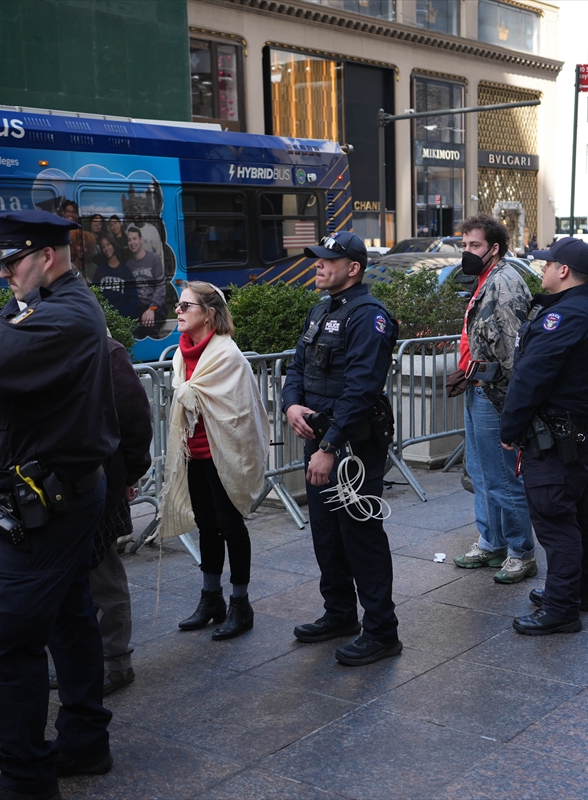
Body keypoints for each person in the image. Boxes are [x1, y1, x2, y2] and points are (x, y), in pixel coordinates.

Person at [0, 210, 120, 800]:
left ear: (46, 256)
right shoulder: (43, 306)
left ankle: (26, 778)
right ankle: (84, 741)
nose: (5, 274)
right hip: (57, 493)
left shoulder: (62, 314)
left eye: (13, 262)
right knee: (68, 617)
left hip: (49, 502)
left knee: (3, 638)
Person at [281, 231, 402, 666]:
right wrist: (291, 404)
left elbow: (361, 389)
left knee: (359, 534)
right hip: (319, 440)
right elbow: (297, 365)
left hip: (350, 446)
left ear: (353, 268)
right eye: (317, 258)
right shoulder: (321, 308)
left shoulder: (369, 316)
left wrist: (330, 446)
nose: (318, 264)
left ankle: (382, 631)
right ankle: (339, 614)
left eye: (327, 260)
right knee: (326, 533)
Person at [500, 238, 588, 635]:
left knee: (556, 521)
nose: (542, 269)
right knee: (578, 514)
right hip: (583, 433)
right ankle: (575, 592)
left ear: (562, 270)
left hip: (558, 439)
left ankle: (561, 608)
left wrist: (510, 429)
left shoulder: (564, 317)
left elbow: (530, 379)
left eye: (546, 263)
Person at [164, 281, 269, 640]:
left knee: (230, 525)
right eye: (178, 305)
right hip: (194, 453)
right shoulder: (180, 354)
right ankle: (211, 598)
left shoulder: (228, 355)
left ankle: (241, 604)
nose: (178, 311)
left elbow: (241, 414)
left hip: (225, 456)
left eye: (185, 306)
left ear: (209, 314)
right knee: (206, 526)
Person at [445, 214, 536, 584]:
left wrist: (515, 408)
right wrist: (466, 371)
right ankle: (491, 541)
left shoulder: (506, 283)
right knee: (481, 474)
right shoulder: (484, 280)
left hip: (496, 396)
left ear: (494, 249)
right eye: (464, 245)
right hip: (477, 388)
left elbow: (516, 352)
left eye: (475, 245)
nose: (467, 252)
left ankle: (521, 551)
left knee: (501, 476)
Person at [88, 332, 154, 695]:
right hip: (53, 488)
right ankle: (81, 659)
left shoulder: (106, 350)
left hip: (98, 482)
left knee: (103, 576)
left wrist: (128, 474)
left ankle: (115, 663)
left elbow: (134, 419)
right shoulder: (28, 335)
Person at [126, 225, 167, 338]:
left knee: (149, 327)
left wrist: (152, 309)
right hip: (139, 307)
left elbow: (160, 286)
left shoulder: (153, 259)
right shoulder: (128, 265)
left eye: (134, 239)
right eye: (129, 240)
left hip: (155, 306)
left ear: (141, 240)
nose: (132, 242)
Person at [92, 237, 139, 320]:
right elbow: (95, 294)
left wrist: (124, 318)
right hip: (104, 318)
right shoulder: (100, 270)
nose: (106, 249)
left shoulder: (125, 270)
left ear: (113, 245)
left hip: (122, 319)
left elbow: (133, 297)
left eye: (108, 244)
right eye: (103, 247)